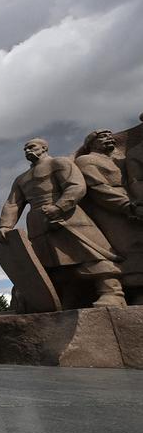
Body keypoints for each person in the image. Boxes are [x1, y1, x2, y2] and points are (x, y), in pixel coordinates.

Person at [0, 138, 125, 307]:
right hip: (37, 223)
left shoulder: (59, 163)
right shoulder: (21, 179)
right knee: (50, 265)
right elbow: (13, 203)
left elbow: (76, 186)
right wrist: (5, 225)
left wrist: (59, 207)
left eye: (32, 147)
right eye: (25, 149)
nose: (28, 151)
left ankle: (112, 293)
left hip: (67, 216)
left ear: (44, 148)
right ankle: (68, 299)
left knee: (91, 253)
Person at [74, 130, 143, 305]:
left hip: (132, 205)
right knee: (129, 248)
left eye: (110, 136)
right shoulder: (86, 160)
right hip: (110, 208)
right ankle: (133, 294)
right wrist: (126, 206)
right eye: (103, 137)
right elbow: (97, 187)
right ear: (92, 143)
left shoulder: (117, 160)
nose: (109, 138)